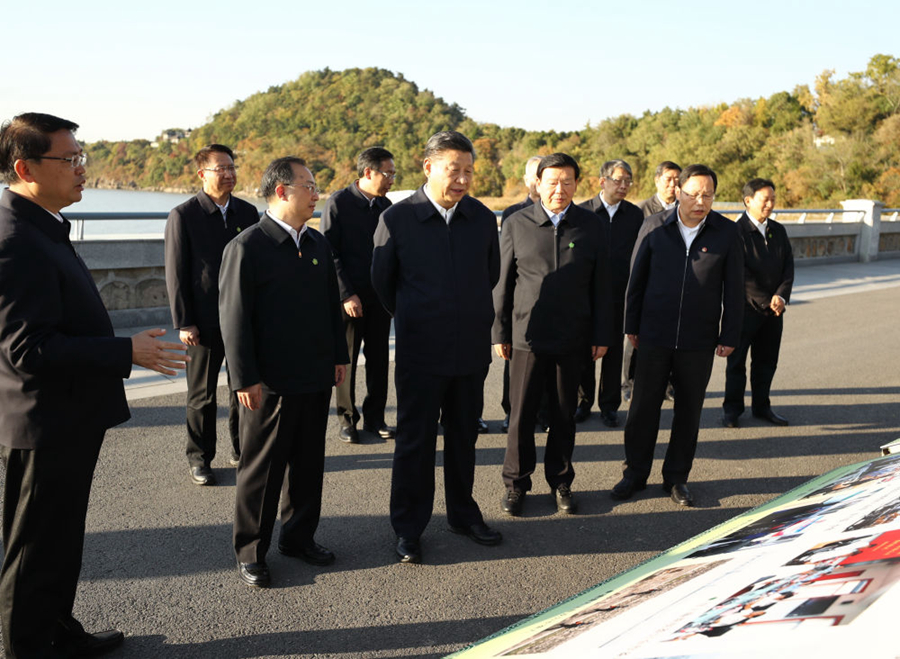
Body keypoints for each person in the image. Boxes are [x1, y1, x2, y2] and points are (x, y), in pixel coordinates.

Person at [0, 112, 188, 658]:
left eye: (83, 158)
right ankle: (27, 649)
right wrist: (126, 350)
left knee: (59, 542)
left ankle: (57, 630)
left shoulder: (40, 224)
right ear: (25, 167)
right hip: (43, 422)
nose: (83, 170)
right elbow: (27, 349)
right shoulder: (16, 239)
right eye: (71, 159)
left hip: (66, 416)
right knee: (34, 548)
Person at [372, 130, 502, 564]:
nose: (463, 179)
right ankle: (409, 527)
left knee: (464, 436)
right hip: (420, 351)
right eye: (454, 170)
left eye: (468, 171)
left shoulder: (482, 218)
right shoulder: (398, 219)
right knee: (416, 441)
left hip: (469, 351)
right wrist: (418, 315)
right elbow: (382, 284)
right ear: (428, 168)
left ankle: (463, 513)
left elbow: (491, 275)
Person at [219, 157, 349, 588]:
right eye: (308, 186)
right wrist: (244, 378)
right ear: (281, 191)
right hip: (269, 382)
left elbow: (333, 308)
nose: (316, 194)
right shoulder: (248, 247)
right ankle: (251, 550)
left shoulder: (317, 244)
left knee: (309, 463)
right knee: (263, 469)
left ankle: (299, 538)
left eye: (316, 186)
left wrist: (339, 356)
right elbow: (234, 320)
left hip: (314, 375)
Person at [613, 164, 743, 507]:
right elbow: (635, 281)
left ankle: (676, 478)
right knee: (643, 408)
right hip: (654, 333)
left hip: (698, 339)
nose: (701, 201)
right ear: (678, 192)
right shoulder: (654, 226)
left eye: (708, 195)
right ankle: (634, 473)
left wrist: (729, 333)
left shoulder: (726, 233)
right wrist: (631, 326)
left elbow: (734, 290)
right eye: (694, 193)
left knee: (689, 410)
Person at [493, 153, 611, 517]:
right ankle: (516, 484)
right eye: (552, 182)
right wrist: (499, 331)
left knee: (564, 414)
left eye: (567, 182)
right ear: (538, 184)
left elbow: (602, 286)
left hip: (573, 337)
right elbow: (502, 284)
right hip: (526, 336)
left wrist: (601, 332)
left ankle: (561, 481)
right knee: (521, 415)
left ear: (577, 184)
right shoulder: (516, 223)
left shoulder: (591, 225)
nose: (559, 189)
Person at [165, 144, 259, 486]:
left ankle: (242, 449)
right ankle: (200, 458)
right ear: (202, 174)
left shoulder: (248, 214)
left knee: (243, 387)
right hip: (202, 323)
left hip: (242, 319)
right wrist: (184, 321)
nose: (229, 173)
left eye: (232, 167)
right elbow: (175, 273)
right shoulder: (184, 215)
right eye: (221, 168)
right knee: (202, 395)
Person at [320, 147, 396, 444]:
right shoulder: (338, 203)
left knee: (379, 360)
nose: (391, 179)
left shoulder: (385, 206)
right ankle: (347, 419)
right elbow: (330, 252)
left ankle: (375, 418)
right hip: (349, 298)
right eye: (387, 174)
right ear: (368, 173)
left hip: (379, 298)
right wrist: (346, 294)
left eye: (393, 174)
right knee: (347, 359)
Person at [575, 159, 643, 428]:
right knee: (584, 352)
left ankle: (609, 405)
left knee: (613, 353)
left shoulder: (635, 215)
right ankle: (582, 402)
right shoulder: (582, 213)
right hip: (586, 295)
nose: (624, 185)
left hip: (619, 295)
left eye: (628, 180)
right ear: (602, 181)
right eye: (618, 180)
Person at [723, 178, 794, 428]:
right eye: (765, 199)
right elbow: (739, 273)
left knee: (766, 362)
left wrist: (782, 296)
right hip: (744, 311)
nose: (770, 204)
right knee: (737, 364)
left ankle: (762, 407)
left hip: (774, 312)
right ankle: (732, 410)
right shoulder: (734, 232)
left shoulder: (778, 230)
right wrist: (768, 300)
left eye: (773, 199)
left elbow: (788, 268)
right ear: (748, 200)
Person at [628, 161, 682, 404]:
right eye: (668, 179)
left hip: (674, 283)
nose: (673, 184)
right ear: (657, 180)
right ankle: (629, 384)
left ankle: (668, 384)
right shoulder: (641, 210)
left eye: (677, 180)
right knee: (634, 337)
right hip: (646, 280)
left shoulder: (685, 208)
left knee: (670, 337)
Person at [497, 155, 542, 433]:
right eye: (534, 175)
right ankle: (510, 411)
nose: (539, 181)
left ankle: (543, 413)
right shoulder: (514, 213)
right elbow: (505, 266)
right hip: (519, 303)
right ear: (527, 180)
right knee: (514, 365)